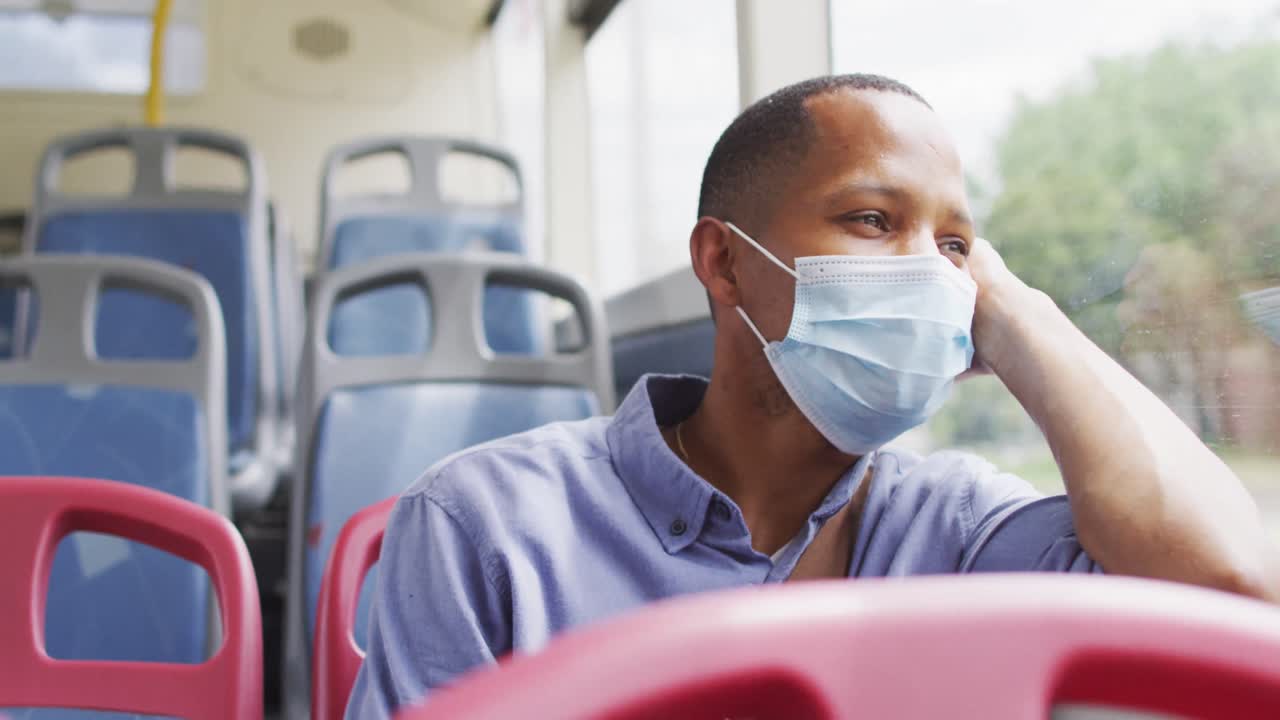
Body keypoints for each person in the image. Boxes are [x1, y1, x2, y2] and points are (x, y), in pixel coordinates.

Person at [344, 74, 1278, 718]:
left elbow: (1234, 588)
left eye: (953, 247)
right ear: (724, 263)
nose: (928, 272)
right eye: (873, 219)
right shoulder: (486, 525)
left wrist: (1018, 313)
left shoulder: (958, 530)